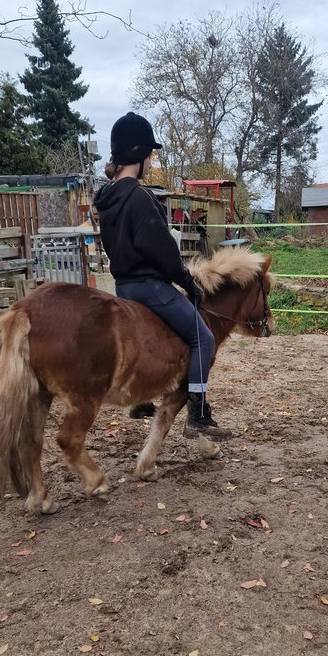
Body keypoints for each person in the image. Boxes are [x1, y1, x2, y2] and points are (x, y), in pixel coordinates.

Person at [92, 112, 232, 440]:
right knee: (204, 338)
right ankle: (198, 415)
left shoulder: (106, 199)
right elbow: (166, 254)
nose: (152, 162)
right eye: (150, 156)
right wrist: (188, 283)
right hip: (150, 288)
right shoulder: (140, 198)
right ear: (139, 154)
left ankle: (141, 401)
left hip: (123, 287)